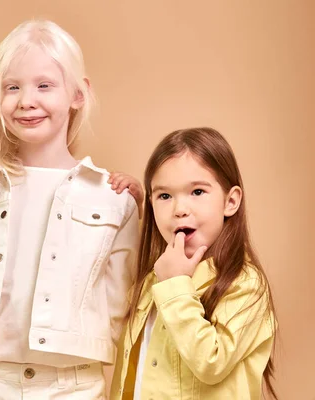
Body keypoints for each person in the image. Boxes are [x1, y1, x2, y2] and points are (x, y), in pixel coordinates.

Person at [0, 19, 140, 398]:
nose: (26, 100)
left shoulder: (112, 196)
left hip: (74, 386)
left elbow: (127, 305)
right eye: (12, 87)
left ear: (78, 93)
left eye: (44, 85)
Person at [110, 127, 277, 400]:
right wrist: (130, 210)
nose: (179, 209)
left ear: (230, 201)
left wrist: (176, 287)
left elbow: (211, 362)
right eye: (164, 196)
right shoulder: (154, 278)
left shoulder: (245, 283)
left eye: (197, 191)